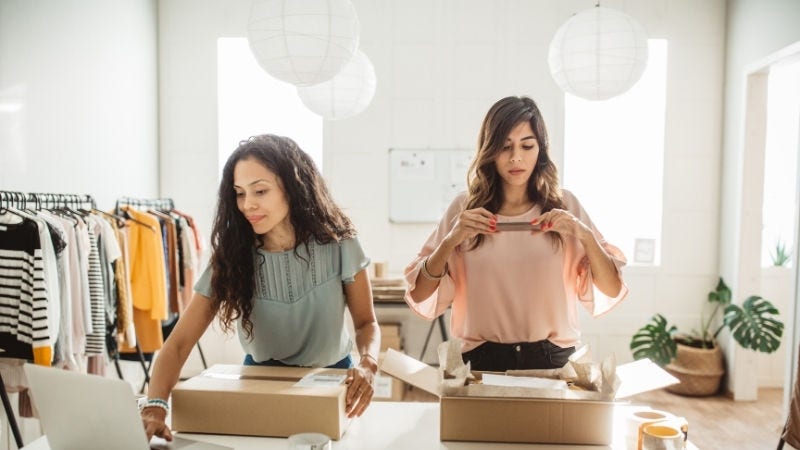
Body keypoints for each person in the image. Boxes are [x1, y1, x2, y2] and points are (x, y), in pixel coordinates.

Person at [141, 135, 380, 441]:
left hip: (334, 380)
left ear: (294, 188)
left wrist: (368, 364)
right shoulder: (232, 255)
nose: (247, 204)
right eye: (239, 193)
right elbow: (177, 344)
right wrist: (156, 405)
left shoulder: (340, 243)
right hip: (259, 378)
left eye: (260, 191)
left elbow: (366, 323)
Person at [405, 96, 628, 372]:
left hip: (554, 360)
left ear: (541, 149)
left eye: (527, 145)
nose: (516, 157)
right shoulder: (464, 209)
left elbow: (612, 287)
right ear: (490, 150)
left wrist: (584, 234)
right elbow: (419, 294)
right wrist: (451, 240)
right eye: (505, 146)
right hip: (481, 361)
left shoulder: (565, 206)